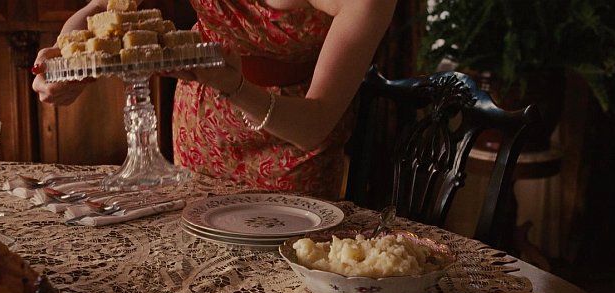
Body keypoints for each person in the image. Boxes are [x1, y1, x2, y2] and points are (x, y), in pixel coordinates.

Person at [32, 0, 396, 200]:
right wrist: (67, 61)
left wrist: (235, 87)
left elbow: (315, 125)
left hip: (293, 138)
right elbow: (102, 8)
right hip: (203, 122)